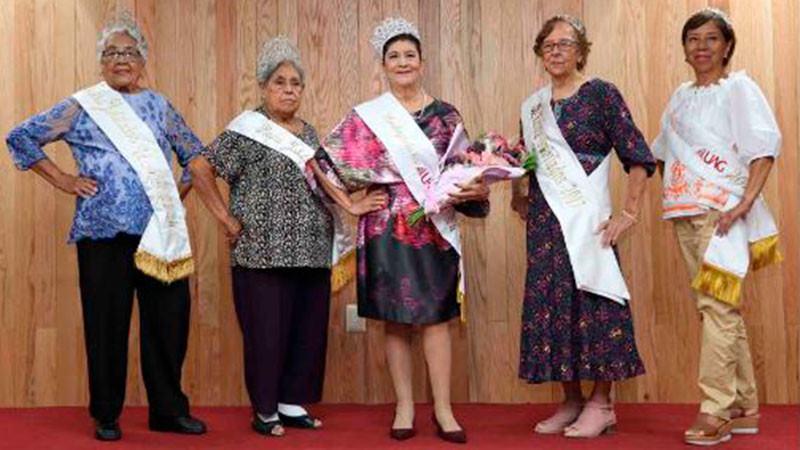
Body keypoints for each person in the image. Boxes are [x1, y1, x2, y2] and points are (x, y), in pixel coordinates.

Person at [5, 14, 206, 441]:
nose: (121, 59)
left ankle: (168, 411)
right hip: (102, 232)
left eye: (129, 52)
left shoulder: (160, 106)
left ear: (143, 60)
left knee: (169, 324)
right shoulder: (82, 105)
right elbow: (21, 137)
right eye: (111, 53)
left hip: (159, 234)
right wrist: (62, 179)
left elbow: (195, 155)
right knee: (106, 324)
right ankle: (107, 414)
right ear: (100, 62)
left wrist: (172, 198)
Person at [189, 36, 384, 438]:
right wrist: (225, 218)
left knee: (306, 330)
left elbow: (331, 182)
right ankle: (264, 409)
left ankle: (291, 403)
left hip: (311, 250)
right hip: (261, 252)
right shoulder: (245, 130)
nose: (289, 89)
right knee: (265, 333)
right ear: (264, 86)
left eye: (296, 82)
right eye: (280, 82)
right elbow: (200, 168)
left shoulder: (311, 134)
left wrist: (361, 196)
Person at [312, 17, 490, 444]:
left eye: (410, 55)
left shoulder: (446, 115)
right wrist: (351, 203)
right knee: (395, 320)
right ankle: (404, 407)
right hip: (386, 228)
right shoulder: (370, 118)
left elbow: (466, 170)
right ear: (384, 65)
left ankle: (444, 410)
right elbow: (321, 162)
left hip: (435, 227)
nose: (403, 62)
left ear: (422, 62)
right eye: (394, 56)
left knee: (438, 320)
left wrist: (472, 189)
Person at [511, 14, 654, 439]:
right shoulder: (533, 108)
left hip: (588, 222)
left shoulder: (601, 95)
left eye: (565, 44)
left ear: (581, 51)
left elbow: (639, 156)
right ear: (540, 53)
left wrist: (627, 214)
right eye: (548, 45)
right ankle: (571, 399)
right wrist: (518, 193)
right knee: (553, 307)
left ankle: (601, 403)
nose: (556, 51)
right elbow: (526, 162)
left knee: (596, 303)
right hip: (545, 228)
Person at [651, 8, 781, 446]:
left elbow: (764, 149)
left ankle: (715, 410)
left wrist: (743, 203)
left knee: (717, 311)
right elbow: (662, 152)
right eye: (693, 39)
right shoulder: (681, 96)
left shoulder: (739, 88)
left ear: (727, 46)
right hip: (684, 215)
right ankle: (744, 405)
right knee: (717, 310)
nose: (701, 47)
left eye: (711, 39)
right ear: (684, 48)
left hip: (721, 216)